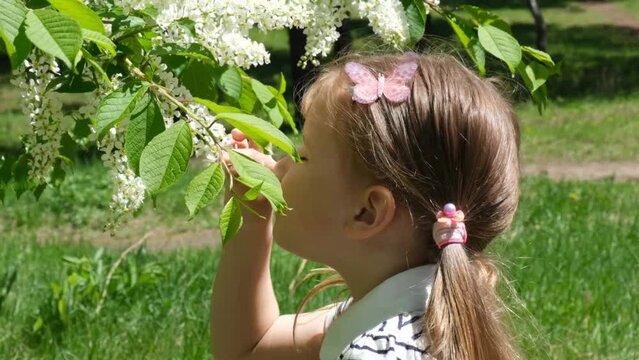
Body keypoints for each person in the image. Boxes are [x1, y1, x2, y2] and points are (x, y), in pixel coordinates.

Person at [210, 52, 522, 360]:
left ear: (367, 212)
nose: (281, 164)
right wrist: (250, 215)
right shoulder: (413, 311)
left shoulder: (375, 351)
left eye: (303, 155)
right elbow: (249, 348)